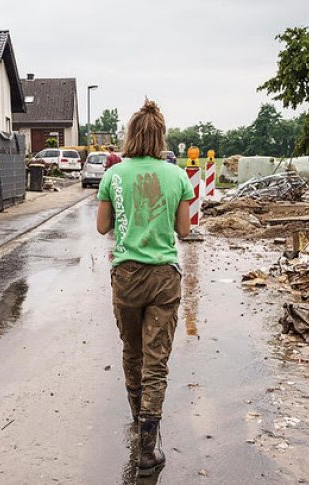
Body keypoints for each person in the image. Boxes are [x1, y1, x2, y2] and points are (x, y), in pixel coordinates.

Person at [96, 100, 193, 477]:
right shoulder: (178, 176)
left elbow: (103, 227)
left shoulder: (113, 175)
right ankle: (148, 450)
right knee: (157, 361)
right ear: (161, 137)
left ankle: (139, 420)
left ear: (131, 136)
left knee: (132, 351)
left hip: (126, 276)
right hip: (163, 278)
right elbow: (184, 231)